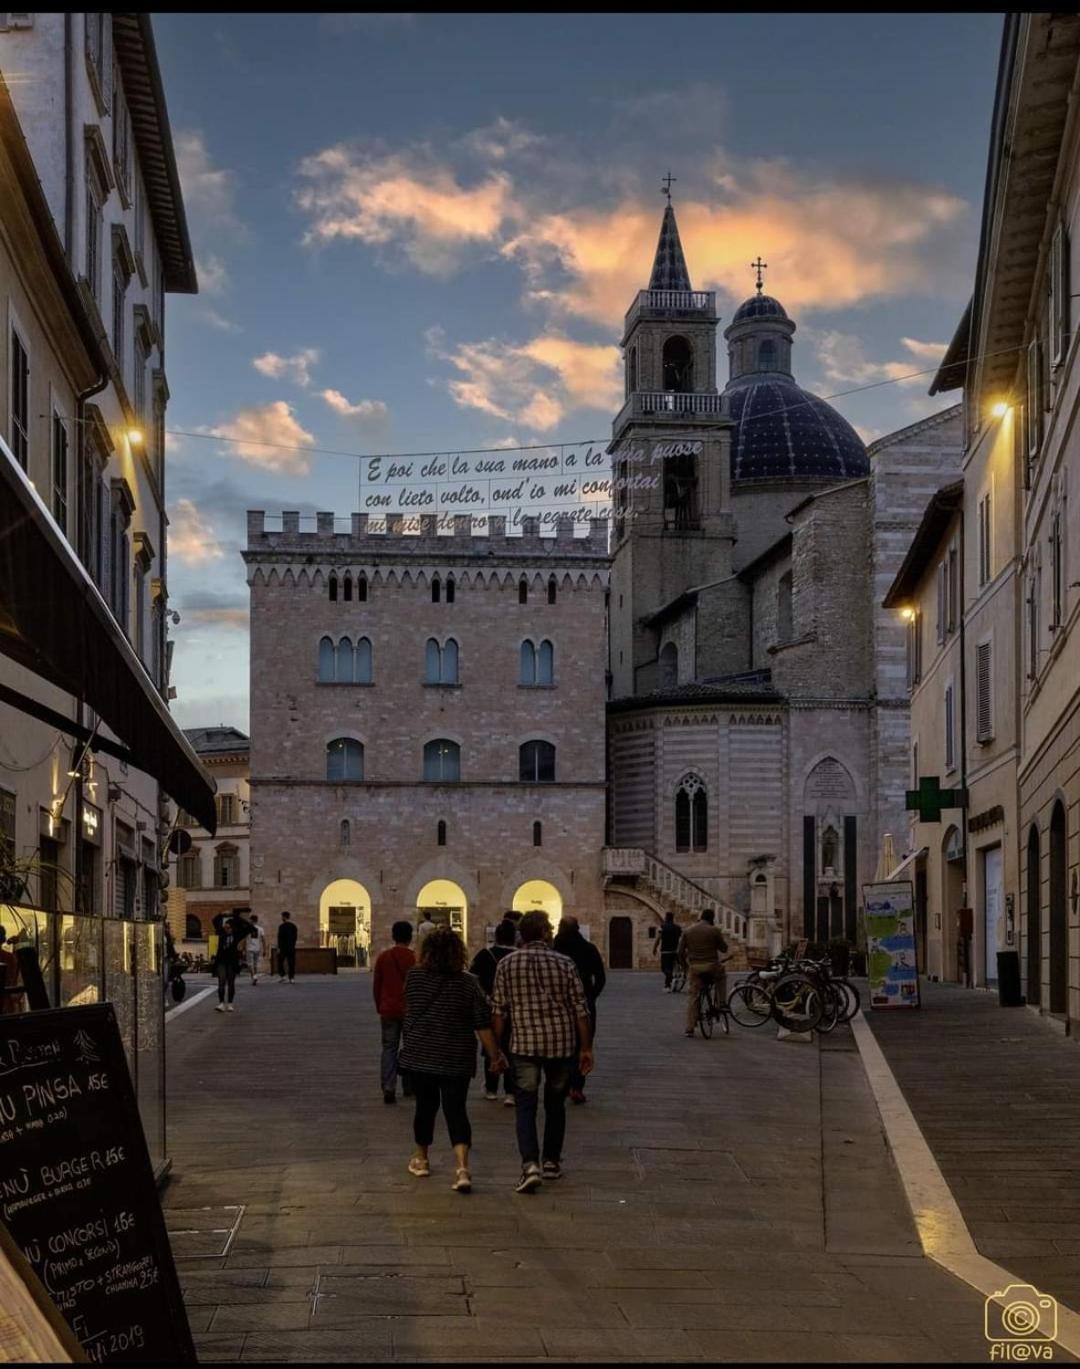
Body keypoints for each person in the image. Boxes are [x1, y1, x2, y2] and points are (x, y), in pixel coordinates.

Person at [398, 924, 506, 1194]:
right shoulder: (469, 983)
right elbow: (482, 1024)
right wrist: (495, 1056)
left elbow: (409, 1010)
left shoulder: (414, 978)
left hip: (421, 1054)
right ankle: (462, 1169)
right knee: (456, 1110)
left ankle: (421, 1159)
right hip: (456, 1057)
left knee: (425, 1107)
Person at [491, 909, 593, 1193]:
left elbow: (498, 1012)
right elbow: (580, 1009)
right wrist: (586, 1048)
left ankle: (530, 1164)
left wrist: (495, 1051)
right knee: (555, 1105)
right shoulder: (565, 963)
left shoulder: (507, 964)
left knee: (525, 1104)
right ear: (547, 933)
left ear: (521, 934)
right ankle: (551, 1162)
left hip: (523, 1045)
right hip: (561, 1045)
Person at [552, 916, 606, 1104]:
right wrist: (591, 995)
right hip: (584, 1002)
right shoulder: (589, 948)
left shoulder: (555, 949)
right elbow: (600, 977)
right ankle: (577, 1086)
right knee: (583, 1045)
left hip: (559, 1004)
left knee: (562, 1045)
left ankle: (564, 1084)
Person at [469, 920, 518, 1104]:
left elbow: (473, 978)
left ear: (496, 936)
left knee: (491, 1044)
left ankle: (491, 1087)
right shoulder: (519, 956)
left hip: (490, 1007)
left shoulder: (485, 954)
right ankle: (511, 1092)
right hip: (514, 1009)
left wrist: (486, 997)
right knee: (512, 1047)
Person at [373, 920, 416, 1104]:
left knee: (389, 1048)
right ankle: (409, 1086)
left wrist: (380, 1006)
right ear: (410, 936)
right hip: (411, 1010)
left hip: (389, 1009)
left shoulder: (384, 957)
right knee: (410, 1047)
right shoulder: (416, 958)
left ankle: (388, 1086)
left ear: (393, 936)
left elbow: (377, 986)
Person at [677, 908, 728, 1037]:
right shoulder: (714, 930)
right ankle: (722, 1002)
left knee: (693, 995)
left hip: (694, 967)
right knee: (722, 976)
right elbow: (724, 948)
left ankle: (689, 1027)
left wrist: (685, 966)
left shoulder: (688, 931)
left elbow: (680, 952)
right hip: (711, 966)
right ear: (712, 919)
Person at [212, 911, 255, 1012]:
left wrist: (236, 916)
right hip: (221, 961)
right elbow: (214, 921)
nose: (226, 929)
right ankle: (221, 1003)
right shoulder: (221, 933)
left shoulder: (237, 934)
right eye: (225, 927)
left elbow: (250, 927)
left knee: (231, 983)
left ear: (233, 927)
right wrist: (222, 914)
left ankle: (230, 1003)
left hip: (232, 961)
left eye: (228, 928)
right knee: (221, 982)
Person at [654, 911, 682, 991]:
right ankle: (669, 982)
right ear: (673, 918)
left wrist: (654, 948)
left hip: (665, 951)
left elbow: (658, 938)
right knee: (671, 967)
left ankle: (668, 983)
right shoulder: (677, 927)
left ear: (666, 918)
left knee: (665, 968)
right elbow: (681, 938)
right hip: (675, 950)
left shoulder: (663, 927)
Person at [244, 913, 266, 985]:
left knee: (249, 964)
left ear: (251, 920)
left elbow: (244, 939)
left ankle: (253, 977)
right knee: (255, 964)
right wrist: (265, 949)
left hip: (249, 948)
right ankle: (255, 976)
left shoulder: (247, 928)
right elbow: (263, 940)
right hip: (257, 948)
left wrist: (243, 949)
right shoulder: (260, 929)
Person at [277, 910, 298, 983]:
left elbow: (279, 938)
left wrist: (279, 947)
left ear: (284, 917)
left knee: (280, 962)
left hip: (283, 948)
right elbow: (295, 937)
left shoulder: (281, 926)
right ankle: (291, 978)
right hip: (291, 947)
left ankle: (282, 976)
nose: (281, 918)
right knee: (291, 963)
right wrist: (293, 945)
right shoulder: (293, 926)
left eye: (282, 917)